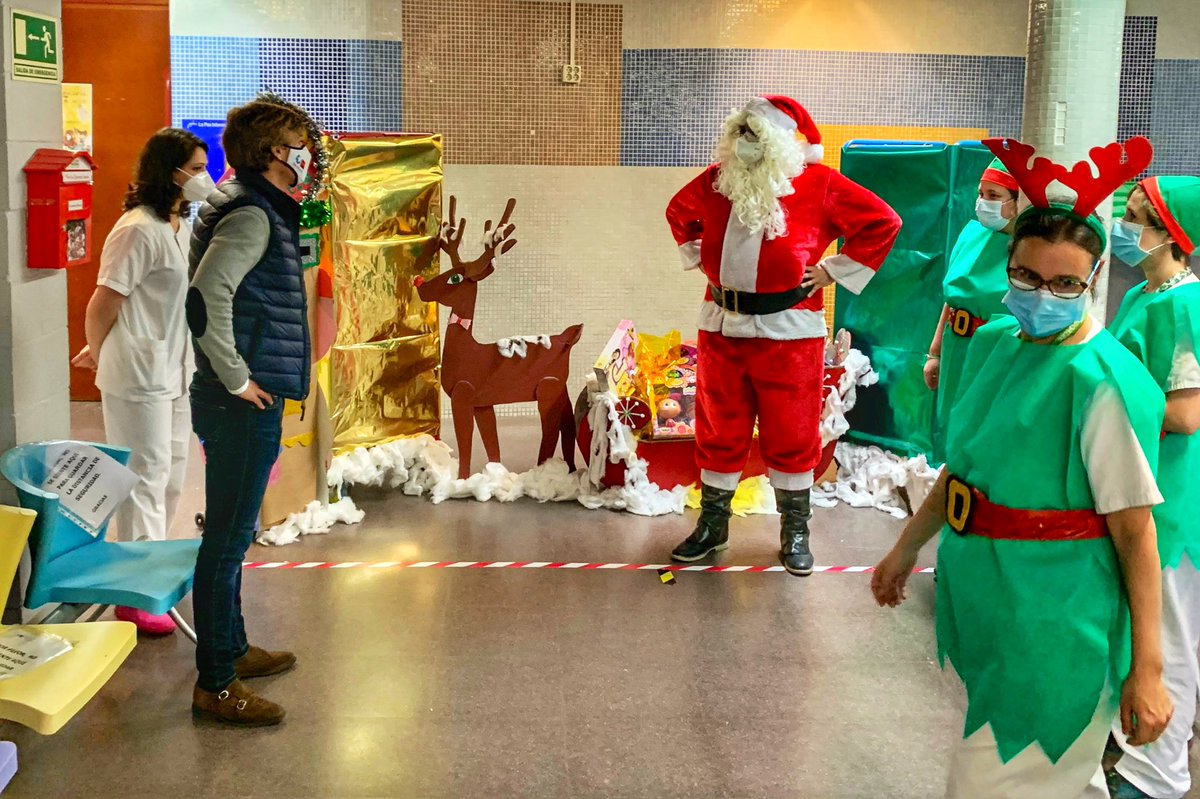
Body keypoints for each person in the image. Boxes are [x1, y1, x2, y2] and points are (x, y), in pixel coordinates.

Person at [872, 136, 1172, 798]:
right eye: (1027, 277)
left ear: (1093, 278)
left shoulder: (1102, 380)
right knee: (1055, 777)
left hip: (1058, 615)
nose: (1043, 295)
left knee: (995, 776)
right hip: (995, 598)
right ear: (1007, 263)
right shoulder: (994, 343)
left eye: (1066, 283)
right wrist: (906, 547)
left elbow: (1135, 532)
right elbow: (964, 469)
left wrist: (1148, 668)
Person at [664, 95, 901, 575]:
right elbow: (678, 212)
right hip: (722, 327)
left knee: (792, 431)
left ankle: (795, 531)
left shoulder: (820, 183)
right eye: (739, 132)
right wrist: (705, 258)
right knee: (718, 428)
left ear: (776, 141)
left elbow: (883, 222)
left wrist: (833, 270)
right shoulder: (717, 180)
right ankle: (713, 525)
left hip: (789, 334)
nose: (743, 142)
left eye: (753, 134)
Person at [186, 99, 314, 726]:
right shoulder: (252, 214)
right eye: (300, 142)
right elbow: (206, 295)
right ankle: (215, 684)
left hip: (235, 396)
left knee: (232, 538)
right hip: (237, 402)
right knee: (227, 542)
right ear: (274, 153)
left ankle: (233, 649)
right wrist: (236, 378)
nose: (309, 154)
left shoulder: (249, 203)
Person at [71, 128, 211, 635]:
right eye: (196, 169)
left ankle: (153, 574)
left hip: (175, 368)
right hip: (137, 372)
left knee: (171, 474)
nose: (204, 178)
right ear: (169, 172)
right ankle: (135, 592)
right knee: (143, 477)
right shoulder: (136, 229)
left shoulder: (179, 225)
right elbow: (103, 302)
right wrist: (99, 350)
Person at [1105, 176, 1200, 799]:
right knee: (1141, 630)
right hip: (1141, 487)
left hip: (1173, 499)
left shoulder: (1185, 305)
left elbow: (1186, 413)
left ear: (1172, 233)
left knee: (1170, 641)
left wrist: (1103, 407)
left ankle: (1159, 778)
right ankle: (1135, 745)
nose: (1125, 225)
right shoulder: (1144, 294)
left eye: (1137, 216)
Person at [925, 158, 1018, 462]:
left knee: (981, 429)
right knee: (949, 423)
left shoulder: (1027, 249)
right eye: (980, 193)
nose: (983, 202)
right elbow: (952, 300)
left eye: (994, 195)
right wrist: (935, 353)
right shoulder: (972, 234)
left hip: (993, 352)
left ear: (1017, 203)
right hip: (955, 345)